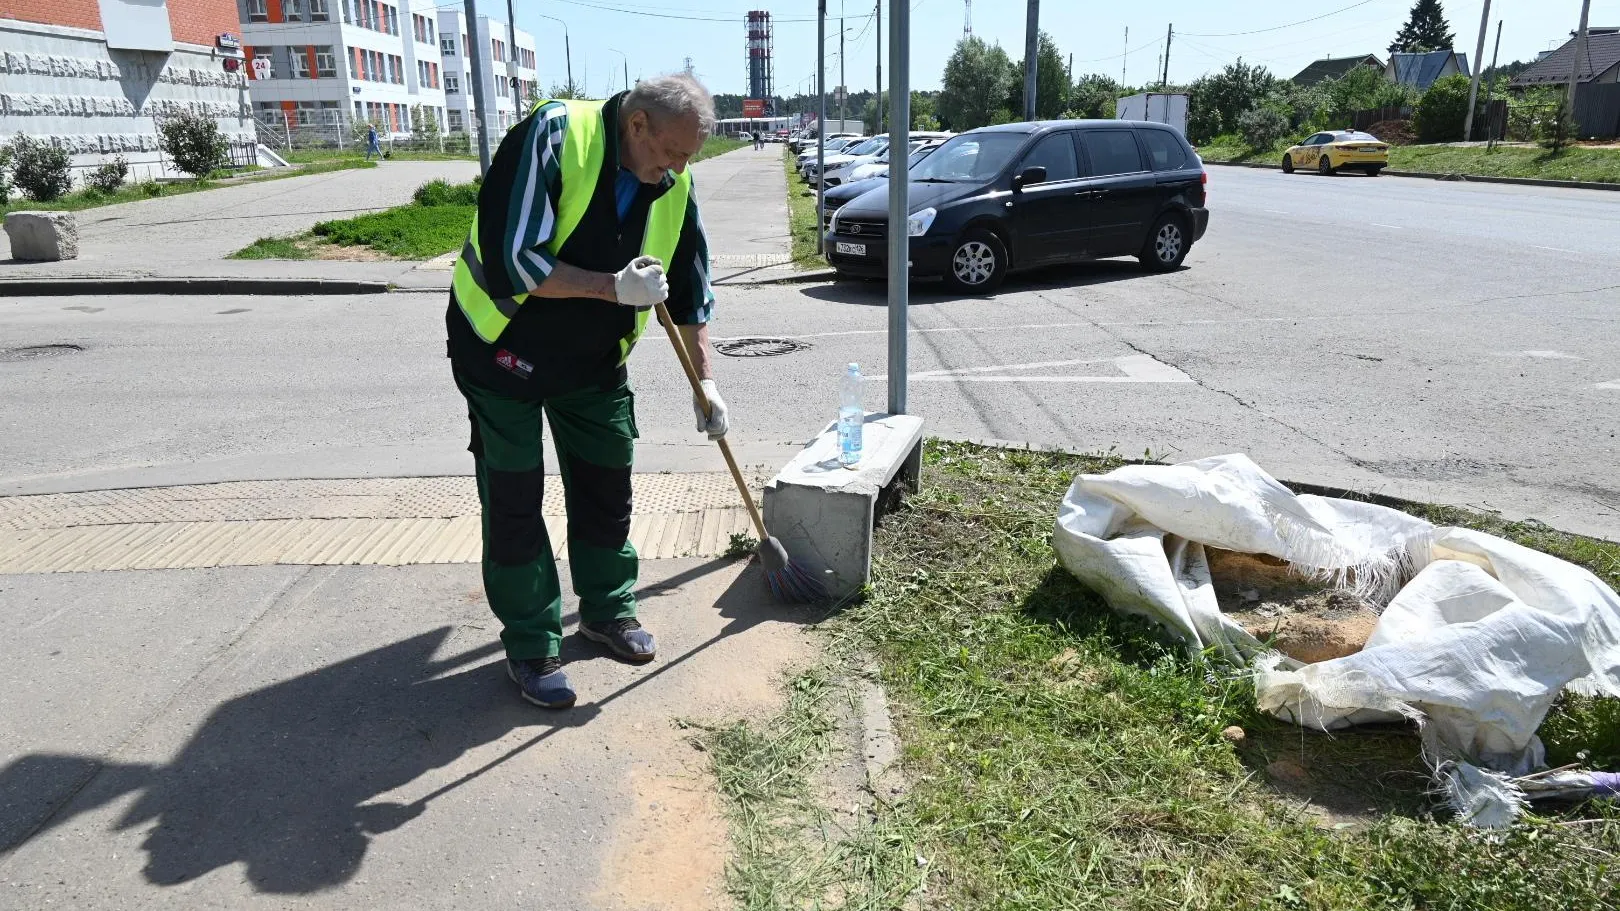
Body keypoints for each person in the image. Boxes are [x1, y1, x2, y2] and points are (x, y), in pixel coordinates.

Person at [446, 74, 727, 710]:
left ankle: (607, 611)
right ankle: (531, 644)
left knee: (607, 485)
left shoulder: (674, 181)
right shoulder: (554, 136)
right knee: (516, 501)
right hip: (502, 351)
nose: (675, 172)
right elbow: (514, 259)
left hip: (593, 362)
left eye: (687, 160)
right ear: (637, 126)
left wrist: (705, 382)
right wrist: (611, 288)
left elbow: (689, 285)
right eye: (671, 154)